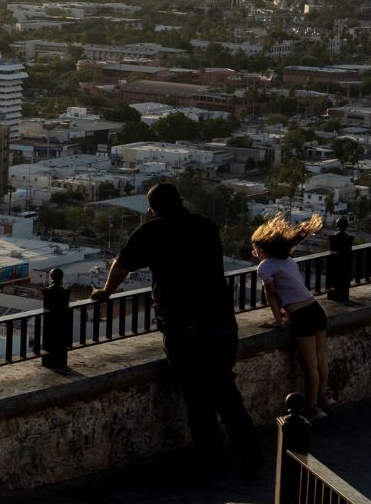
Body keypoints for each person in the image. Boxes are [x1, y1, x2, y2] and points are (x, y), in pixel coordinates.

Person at [95, 182, 259, 475]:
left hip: (185, 327)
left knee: (198, 400)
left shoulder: (152, 231)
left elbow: (122, 264)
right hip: (221, 322)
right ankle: (251, 456)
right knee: (226, 393)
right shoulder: (205, 226)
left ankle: (211, 459)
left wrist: (106, 291)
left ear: (151, 209)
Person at [254, 214, 332, 418]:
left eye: (255, 250)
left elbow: (271, 295)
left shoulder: (265, 266)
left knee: (309, 365)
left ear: (262, 250)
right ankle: (324, 397)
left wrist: (278, 321)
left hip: (301, 315)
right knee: (321, 358)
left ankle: (312, 407)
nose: (255, 254)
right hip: (315, 309)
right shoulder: (288, 261)